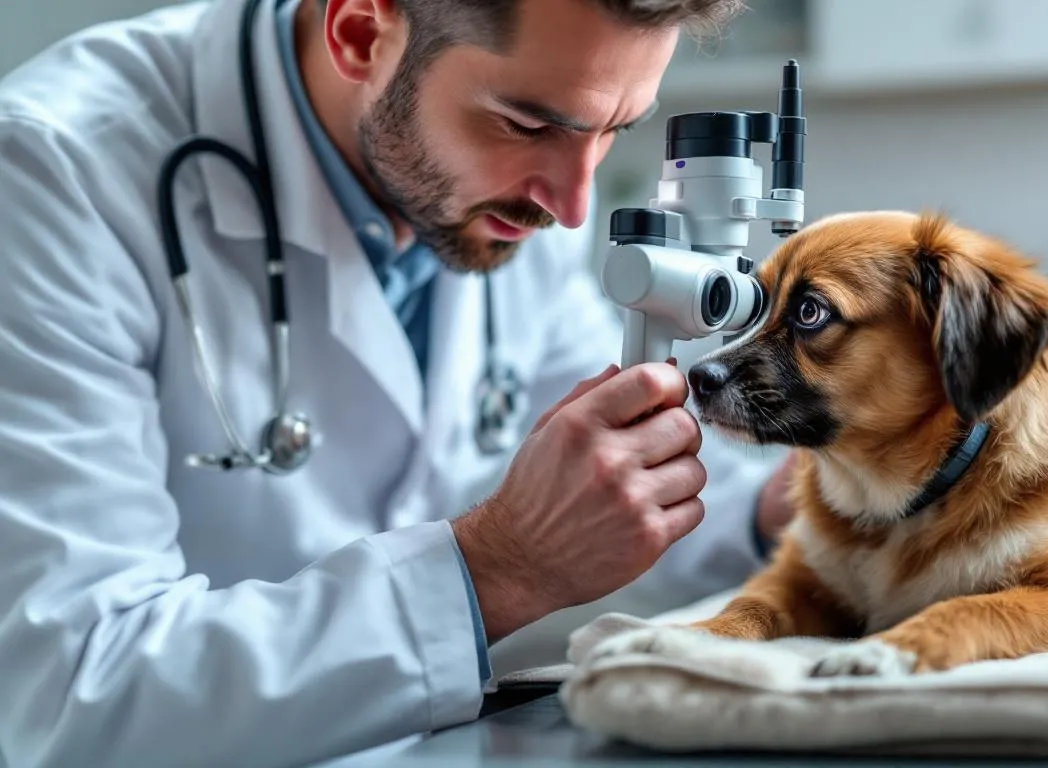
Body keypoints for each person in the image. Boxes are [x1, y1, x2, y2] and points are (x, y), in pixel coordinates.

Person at [0, 0, 796, 765]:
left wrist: (774, 510)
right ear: (359, 33)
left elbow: (613, 459)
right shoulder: (51, 174)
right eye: (528, 123)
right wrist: (501, 568)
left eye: (613, 131)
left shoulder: (511, 189)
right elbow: (69, 693)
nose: (574, 203)